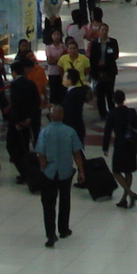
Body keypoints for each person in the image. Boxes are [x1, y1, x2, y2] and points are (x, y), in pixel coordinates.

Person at [34, 105, 86, 248]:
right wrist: (81, 170)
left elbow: (41, 153)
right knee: (65, 200)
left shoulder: (44, 132)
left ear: (50, 116)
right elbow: (76, 152)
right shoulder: (70, 132)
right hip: (65, 172)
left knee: (48, 204)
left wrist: (43, 168)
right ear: (62, 116)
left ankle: (51, 234)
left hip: (50, 173)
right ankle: (63, 229)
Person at [6, 58, 48, 183]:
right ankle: (29, 171)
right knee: (24, 147)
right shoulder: (31, 84)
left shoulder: (15, 85)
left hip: (17, 122)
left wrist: (17, 121)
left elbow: (16, 105)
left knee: (12, 147)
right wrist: (29, 118)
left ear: (14, 72)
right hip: (28, 120)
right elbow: (36, 102)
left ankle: (24, 172)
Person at [103, 89, 137, 209]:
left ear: (114, 100)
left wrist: (105, 147)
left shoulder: (112, 113)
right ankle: (124, 198)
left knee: (116, 171)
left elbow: (108, 131)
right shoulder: (131, 112)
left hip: (120, 144)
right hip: (131, 144)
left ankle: (130, 193)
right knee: (128, 171)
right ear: (124, 99)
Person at [89, 21, 120, 120]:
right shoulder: (94, 44)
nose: (104, 32)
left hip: (109, 70)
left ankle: (112, 112)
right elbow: (92, 57)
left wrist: (105, 62)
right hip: (98, 71)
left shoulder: (113, 42)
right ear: (99, 31)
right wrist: (96, 65)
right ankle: (102, 113)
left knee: (109, 93)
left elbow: (115, 55)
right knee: (100, 93)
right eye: (102, 30)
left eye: (106, 30)